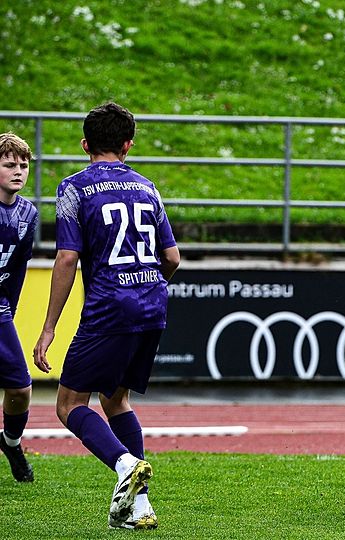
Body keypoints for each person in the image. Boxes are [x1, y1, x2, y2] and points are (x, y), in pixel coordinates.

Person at [33, 102, 180, 529]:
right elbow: (172, 257)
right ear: (128, 145)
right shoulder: (147, 187)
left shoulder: (74, 188)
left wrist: (48, 328)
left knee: (68, 404)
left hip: (109, 305)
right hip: (152, 302)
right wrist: (148, 285)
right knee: (116, 399)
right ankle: (140, 508)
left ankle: (123, 463)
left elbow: (67, 258)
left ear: (85, 145)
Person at [0, 133, 39, 483]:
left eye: (23, 165)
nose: (18, 171)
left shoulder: (28, 213)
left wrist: (9, 308)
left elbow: (18, 268)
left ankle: (11, 443)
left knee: (20, 389)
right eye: (9, 164)